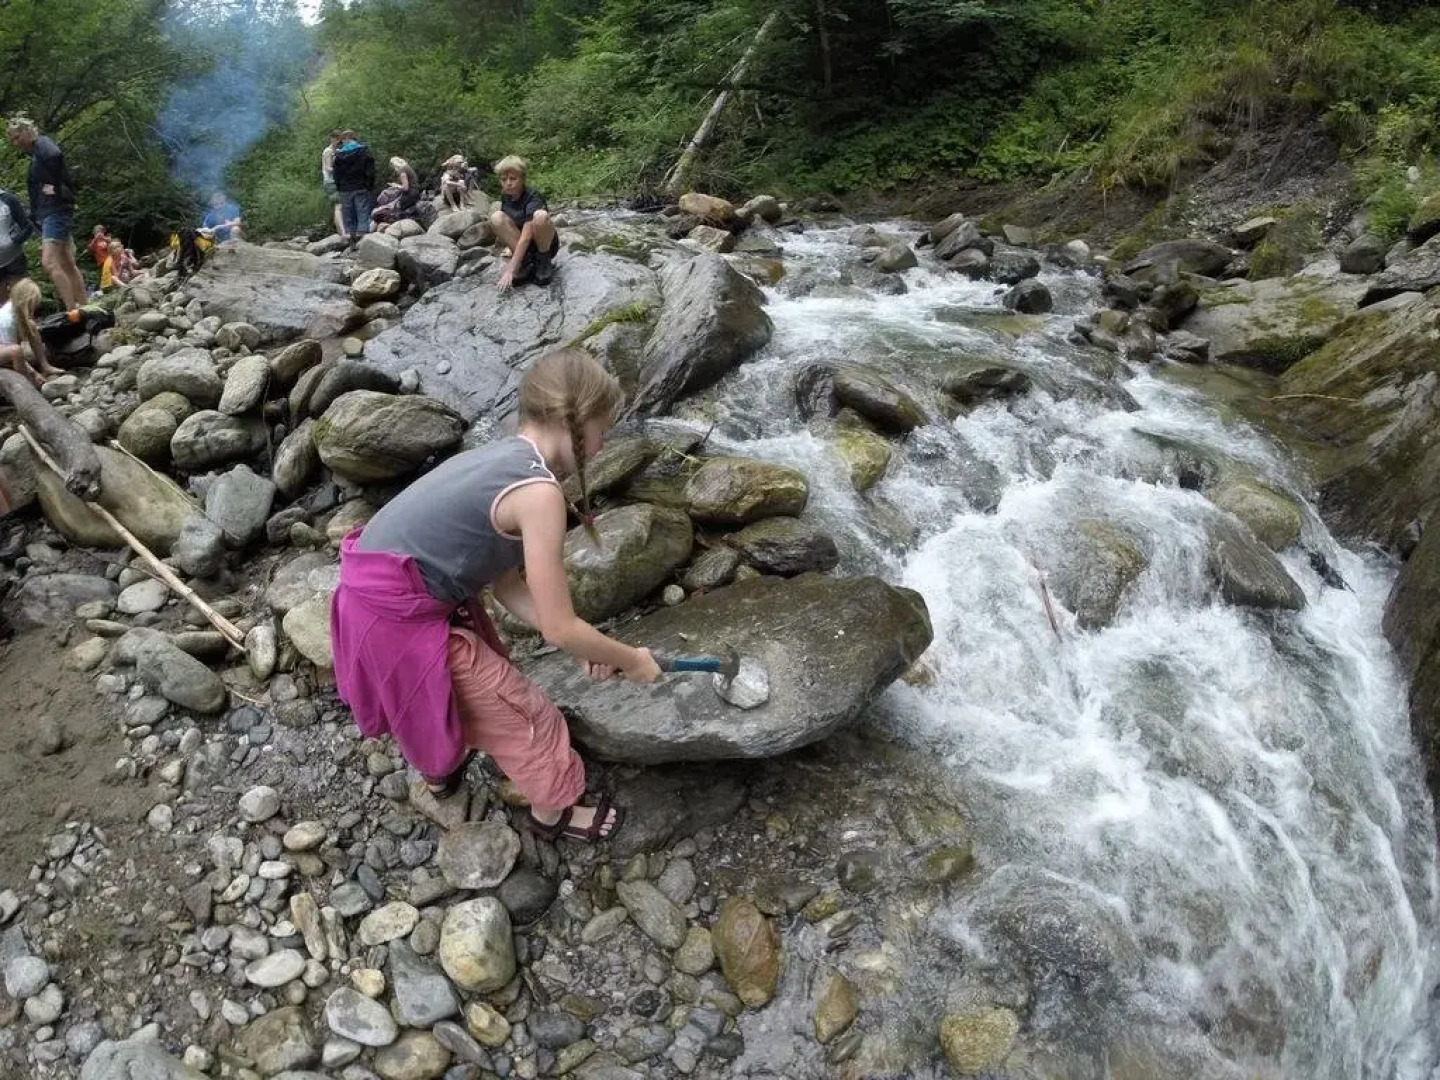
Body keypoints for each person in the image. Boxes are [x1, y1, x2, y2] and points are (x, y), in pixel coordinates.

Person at [331, 347, 660, 843]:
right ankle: (555, 815)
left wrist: (586, 648)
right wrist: (631, 658)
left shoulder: (503, 455)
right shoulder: (540, 494)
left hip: (370, 600)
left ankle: (440, 768)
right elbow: (558, 624)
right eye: (601, 431)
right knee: (531, 714)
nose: (599, 447)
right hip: (398, 621)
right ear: (576, 422)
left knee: (450, 694)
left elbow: (507, 585)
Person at [4, 117, 85, 311]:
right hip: (53, 210)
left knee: (49, 262)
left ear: (26, 131)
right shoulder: (36, 151)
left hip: (55, 210)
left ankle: (72, 309)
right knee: (66, 261)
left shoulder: (41, 144)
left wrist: (55, 186)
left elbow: (56, 155)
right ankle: (83, 306)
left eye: (17, 137)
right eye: (13, 140)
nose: (16, 143)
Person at [490, 155, 559, 290]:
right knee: (496, 217)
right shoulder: (506, 197)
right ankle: (525, 262)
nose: (508, 183)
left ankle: (543, 261)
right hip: (524, 247)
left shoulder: (533, 197)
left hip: (544, 244)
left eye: (513, 179)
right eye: (504, 180)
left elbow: (527, 235)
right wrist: (511, 251)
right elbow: (508, 225)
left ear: (522, 179)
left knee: (540, 216)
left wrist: (510, 268)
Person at [0, 276, 64, 388]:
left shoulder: (17, 312)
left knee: (31, 325)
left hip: (4, 347)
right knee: (16, 351)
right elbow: (13, 353)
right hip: (4, 347)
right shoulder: (8, 320)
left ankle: (45, 365)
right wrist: (33, 373)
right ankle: (27, 382)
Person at [331, 130, 376, 238]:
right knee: (362, 211)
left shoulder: (339, 155)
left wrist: (339, 187)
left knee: (349, 215)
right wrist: (369, 185)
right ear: (354, 138)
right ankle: (363, 237)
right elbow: (370, 171)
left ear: (345, 139)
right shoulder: (364, 152)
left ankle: (351, 238)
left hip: (345, 189)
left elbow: (336, 174)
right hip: (361, 186)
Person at [370, 157, 420, 227]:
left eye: (392, 166)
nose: (393, 168)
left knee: (395, 210)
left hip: (410, 195)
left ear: (395, 164)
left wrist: (396, 186)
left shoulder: (402, 171)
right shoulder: (407, 168)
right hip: (415, 193)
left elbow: (406, 188)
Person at [0, 187, 32, 282]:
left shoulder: (8, 199)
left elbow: (27, 226)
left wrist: (15, 241)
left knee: (21, 290)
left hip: (13, 256)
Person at [321, 130, 346, 238]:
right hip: (330, 181)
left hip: (337, 181)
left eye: (339, 139)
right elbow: (328, 167)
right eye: (335, 139)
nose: (337, 141)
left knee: (339, 206)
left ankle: (341, 233)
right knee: (338, 206)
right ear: (332, 139)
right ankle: (342, 233)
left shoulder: (338, 150)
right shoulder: (328, 151)